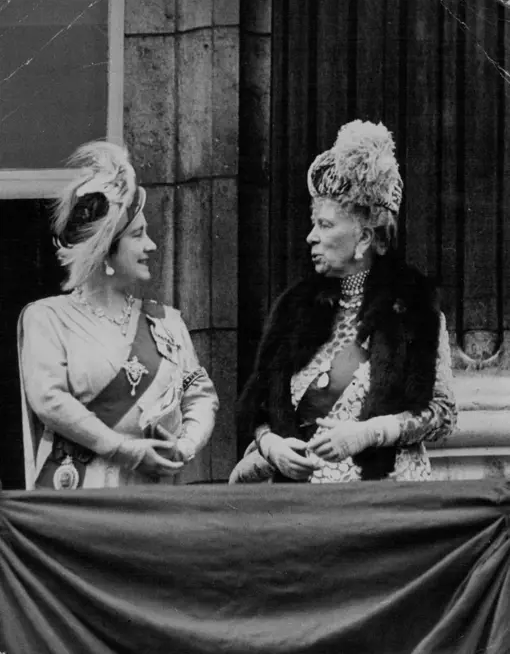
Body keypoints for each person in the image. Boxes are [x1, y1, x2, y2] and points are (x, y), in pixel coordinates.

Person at [230, 120, 457, 484]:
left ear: (363, 238)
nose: (310, 238)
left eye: (324, 225)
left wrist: (368, 433)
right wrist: (271, 444)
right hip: (297, 506)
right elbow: (260, 407)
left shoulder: (413, 313)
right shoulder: (294, 312)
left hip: (379, 501)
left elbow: (442, 414)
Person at [18, 141, 218, 490]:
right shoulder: (48, 318)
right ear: (105, 251)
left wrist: (182, 447)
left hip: (150, 496)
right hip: (80, 494)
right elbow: (49, 400)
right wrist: (125, 449)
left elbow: (200, 396)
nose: (151, 245)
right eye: (138, 235)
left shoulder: (167, 322)